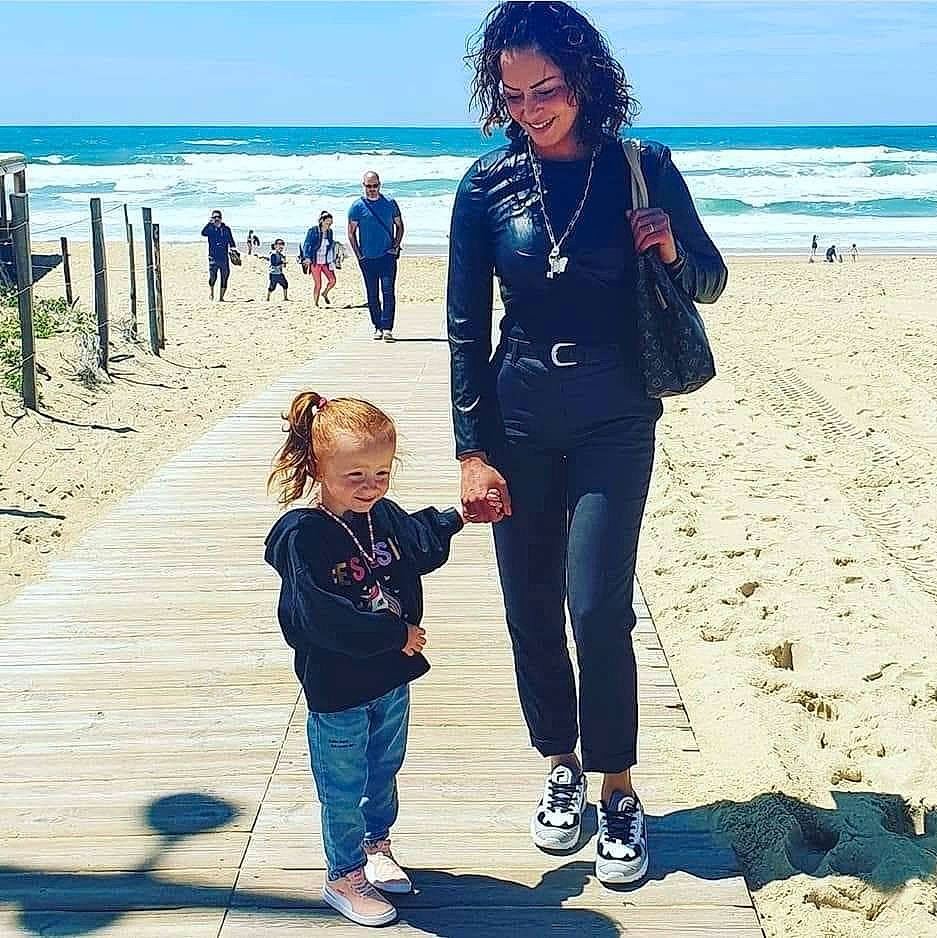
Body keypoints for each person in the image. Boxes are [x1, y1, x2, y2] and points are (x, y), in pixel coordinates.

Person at [448, 1, 726, 886]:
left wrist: (671, 249)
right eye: (514, 93)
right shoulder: (484, 184)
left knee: (596, 605)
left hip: (614, 412)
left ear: (587, 82)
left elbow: (711, 281)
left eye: (549, 91)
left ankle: (618, 789)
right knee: (528, 607)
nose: (530, 109)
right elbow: (463, 326)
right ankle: (559, 768)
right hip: (518, 414)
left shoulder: (640, 168)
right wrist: (470, 448)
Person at [264, 392, 469, 927]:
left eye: (381, 472)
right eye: (355, 474)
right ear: (317, 467)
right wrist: (392, 632)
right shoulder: (303, 536)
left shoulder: (383, 517)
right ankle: (343, 874)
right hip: (338, 689)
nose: (370, 485)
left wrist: (459, 516)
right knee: (343, 783)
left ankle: (377, 848)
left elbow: (420, 544)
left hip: (390, 680)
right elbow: (316, 617)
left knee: (384, 770)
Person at [348, 172, 403, 342]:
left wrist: (394, 247)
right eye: (368, 186)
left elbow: (400, 226)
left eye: (375, 186)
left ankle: (387, 328)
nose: (372, 189)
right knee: (372, 294)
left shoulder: (390, 203)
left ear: (380, 185)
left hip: (387, 256)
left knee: (388, 292)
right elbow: (351, 233)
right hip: (367, 258)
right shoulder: (357, 206)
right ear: (363, 185)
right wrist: (359, 255)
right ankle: (377, 326)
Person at [302, 211, 339, 307]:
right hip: (315, 261)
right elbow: (307, 244)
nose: (329, 225)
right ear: (322, 221)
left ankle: (325, 293)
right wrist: (307, 257)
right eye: (327, 223)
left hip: (326, 261)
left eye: (330, 223)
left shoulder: (330, 232)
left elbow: (330, 244)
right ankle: (316, 304)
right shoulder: (313, 231)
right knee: (318, 284)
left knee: (332, 280)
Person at [200, 210, 236, 301]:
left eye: (218, 217)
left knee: (225, 276)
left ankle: (221, 297)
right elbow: (203, 233)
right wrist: (209, 223)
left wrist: (233, 250)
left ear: (221, 218)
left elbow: (231, 241)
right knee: (213, 277)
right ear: (212, 218)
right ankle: (211, 292)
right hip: (213, 257)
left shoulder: (226, 229)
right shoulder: (210, 229)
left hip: (224, 257)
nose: (217, 219)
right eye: (214, 217)